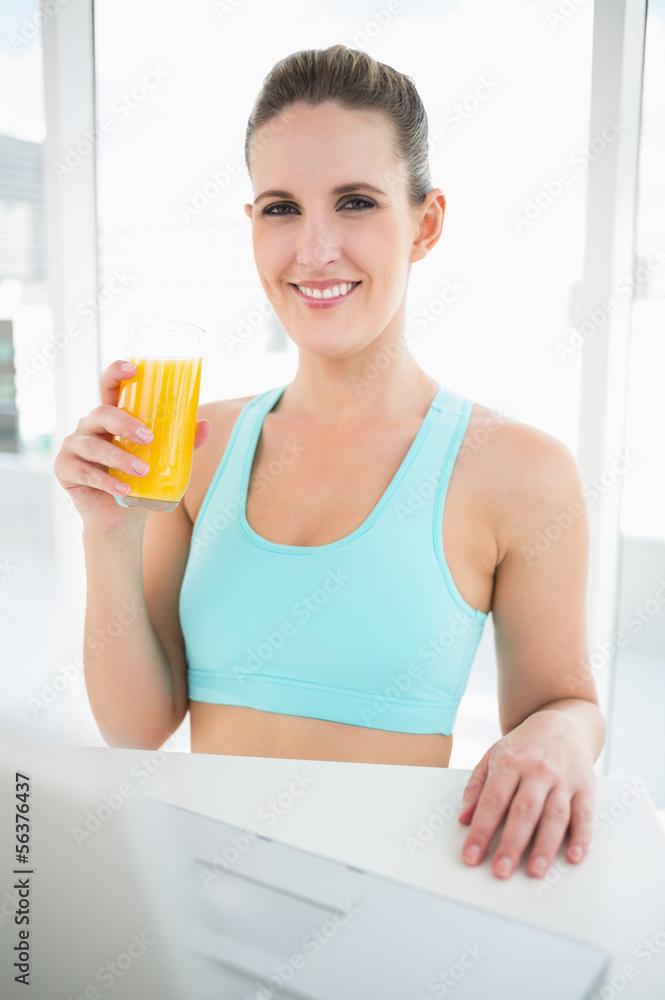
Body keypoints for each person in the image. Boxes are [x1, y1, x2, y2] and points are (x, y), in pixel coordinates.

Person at [54, 45, 604, 881]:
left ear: (425, 224)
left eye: (354, 202)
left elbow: (564, 705)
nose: (313, 250)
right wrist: (107, 534)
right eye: (281, 208)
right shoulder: (191, 451)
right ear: (250, 228)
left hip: (389, 921)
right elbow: (138, 730)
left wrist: (561, 735)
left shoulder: (518, 474)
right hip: (195, 910)